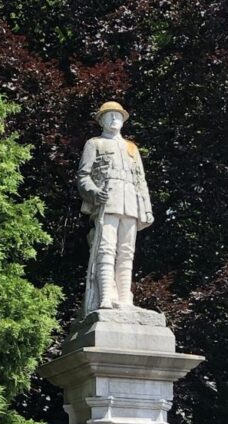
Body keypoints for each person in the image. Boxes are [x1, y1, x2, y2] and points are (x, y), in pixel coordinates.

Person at [77, 101, 153, 312]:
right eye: (109, 116)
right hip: (107, 201)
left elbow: (140, 180)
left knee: (127, 251)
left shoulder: (131, 148)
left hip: (130, 202)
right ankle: (105, 298)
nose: (114, 119)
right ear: (101, 120)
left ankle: (124, 298)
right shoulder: (95, 143)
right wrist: (93, 193)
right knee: (106, 249)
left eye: (117, 116)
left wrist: (146, 209)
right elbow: (83, 176)